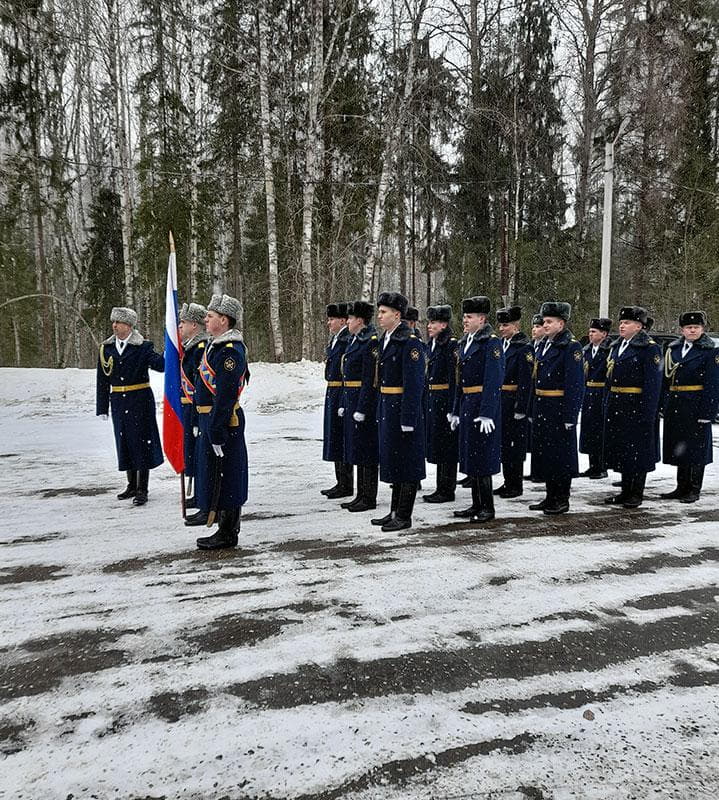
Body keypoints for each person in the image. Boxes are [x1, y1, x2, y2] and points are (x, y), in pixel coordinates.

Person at [192, 294, 249, 549]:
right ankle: (222, 526)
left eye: (211, 316)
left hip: (225, 421)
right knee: (216, 473)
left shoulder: (230, 352)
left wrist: (216, 430)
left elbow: (225, 396)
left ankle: (228, 532)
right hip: (211, 418)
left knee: (228, 476)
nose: (206, 319)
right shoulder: (216, 346)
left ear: (224, 320)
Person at [96, 306, 164, 506]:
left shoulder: (142, 346)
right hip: (118, 400)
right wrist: (102, 406)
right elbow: (102, 379)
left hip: (139, 399)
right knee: (124, 441)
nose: (115, 326)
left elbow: (161, 366)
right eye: (114, 322)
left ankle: (142, 488)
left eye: (119, 322)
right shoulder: (106, 348)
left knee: (141, 443)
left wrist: (171, 349)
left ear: (129, 325)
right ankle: (131, 484)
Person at [370, 291, 426, 531]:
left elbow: (414, 383)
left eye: (383, 312)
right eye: (379, 311)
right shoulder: (387, 338)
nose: (379, 316)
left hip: (402, 408)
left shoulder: (409, 341)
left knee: (407, 463)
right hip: (388, 407)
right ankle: (394, 510)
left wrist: (409, 417)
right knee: (394, 460)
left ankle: (404, 515)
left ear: (397, 314)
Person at [449, 296, 504, 523]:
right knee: (471, 457)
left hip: (482, 405)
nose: (464, 321)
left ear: (481, 319)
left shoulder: (490, 343)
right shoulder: (466, 342)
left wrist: (487, 412)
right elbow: (459, 380)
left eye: (469, 317)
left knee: (482, 457)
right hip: (467, 404)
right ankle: (475, 504)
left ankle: (487, 507)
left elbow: (494, 378)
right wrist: (455, 409)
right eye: (464, 317)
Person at [527, 302, 584, 515]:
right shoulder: (544, 345)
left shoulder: (570, 347)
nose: (545, 324)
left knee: (561, 455)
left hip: (559, 408)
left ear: (561, 323)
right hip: (543, 406)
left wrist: (571, 414)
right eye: (544, 321)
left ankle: (562, 498)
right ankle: (550, 495)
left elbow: (575, 384)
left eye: (549, 321)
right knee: (547, 454)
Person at [603, 306, 662, 509]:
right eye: (621, 323)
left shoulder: (649, 348)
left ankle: (636, 493)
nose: (621, 326)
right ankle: (625, 491)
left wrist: (648, 413)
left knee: (637, 452)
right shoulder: (617, 346)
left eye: (626, 323)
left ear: (639, 326)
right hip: (618, 405)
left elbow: (653, 384)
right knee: (623, 451)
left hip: (636, 406)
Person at [660, 310, 719, 502]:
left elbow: (713, 383)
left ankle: (694, 488)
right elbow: (665, 379)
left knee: (696, 448)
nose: (692, 330)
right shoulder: (674, 348)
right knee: (680, 447)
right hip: (676, 403)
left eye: (696, 327)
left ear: (703, 329)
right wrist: (663, 403)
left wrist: (708, 411)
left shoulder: (710, 351)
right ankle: (681, 486)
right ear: (682, 330)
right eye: (688, 327)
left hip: (696, 404)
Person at [338, 301, 380, 512]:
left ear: (361, 321)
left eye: (351, 318)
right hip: (352, 399)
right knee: (357, 447)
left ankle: (368, 496)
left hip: (364, 403)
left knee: (367, 450)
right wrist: (346, 404)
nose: (348, 322)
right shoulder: (355, 341)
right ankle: (360, 493)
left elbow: (369, 379)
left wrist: (362, 408)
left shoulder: (370, 342)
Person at [494, 305, 533, 498]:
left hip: (514, 400)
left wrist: (521, 406)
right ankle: (507, 480)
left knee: (514, 445)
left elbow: (526, 380)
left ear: (516, 326)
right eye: (500, 325)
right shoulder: (501, 345)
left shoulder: (523, 348)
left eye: (506, 325)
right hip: (502, 400)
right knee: (504, 444)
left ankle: (515, 484)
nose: (501, 328)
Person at [423, 304, 459, 503]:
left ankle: (447, 489)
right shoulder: (433, 344)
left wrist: (454, 408)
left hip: (445, 400)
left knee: (447, 447)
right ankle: (440, 487)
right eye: (429, 322)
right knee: (438, 445)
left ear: (444, 324)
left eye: (433, 322)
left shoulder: (451, 346)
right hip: (433, 400)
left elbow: (455, 379)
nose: (429, 326)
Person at [178, 302, 209, 511]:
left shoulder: (200, 348)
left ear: (195, 326)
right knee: (191, 451)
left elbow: (201, 384)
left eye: (183, 323)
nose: (180, 327)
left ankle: (201, 494)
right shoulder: (189, 348)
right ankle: (198, 494)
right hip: (187, 408)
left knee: (199, 453)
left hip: (196, 409)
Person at [321, 303, 353, 498]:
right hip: (332, 390)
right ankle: (339, 480)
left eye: (332, 319)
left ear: (342, 320)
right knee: (334, 436)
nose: (328, 323)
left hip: (341, 390)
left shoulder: (346, 340)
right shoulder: (335, 339)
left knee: (341, 437)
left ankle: (346, 483)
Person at [579, 317, 612, 479]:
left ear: (604, 334)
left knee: (600, 430)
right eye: (590, 331)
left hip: (601, 392)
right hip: (589, 393)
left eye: (594, 332)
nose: (590, 334)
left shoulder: (609, 351)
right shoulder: (586, 350)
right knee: (589, 430)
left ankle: (602, 465)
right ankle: (592, 464)